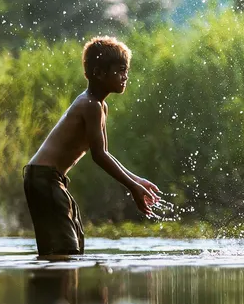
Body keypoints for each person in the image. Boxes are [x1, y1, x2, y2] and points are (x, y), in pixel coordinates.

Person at [23, 36, 160, 257]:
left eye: (126, 70)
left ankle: (64, 289)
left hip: (49, 179)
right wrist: (132, 188)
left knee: (73, 242)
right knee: (64, 248)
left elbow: (104, 153)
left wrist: (137, 181)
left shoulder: (99, 106)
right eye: (120, 70)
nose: (125, 76)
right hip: (44, 179)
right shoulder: (90, 105)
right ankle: (57, 289)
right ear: (99, 73)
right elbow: (99, 156)